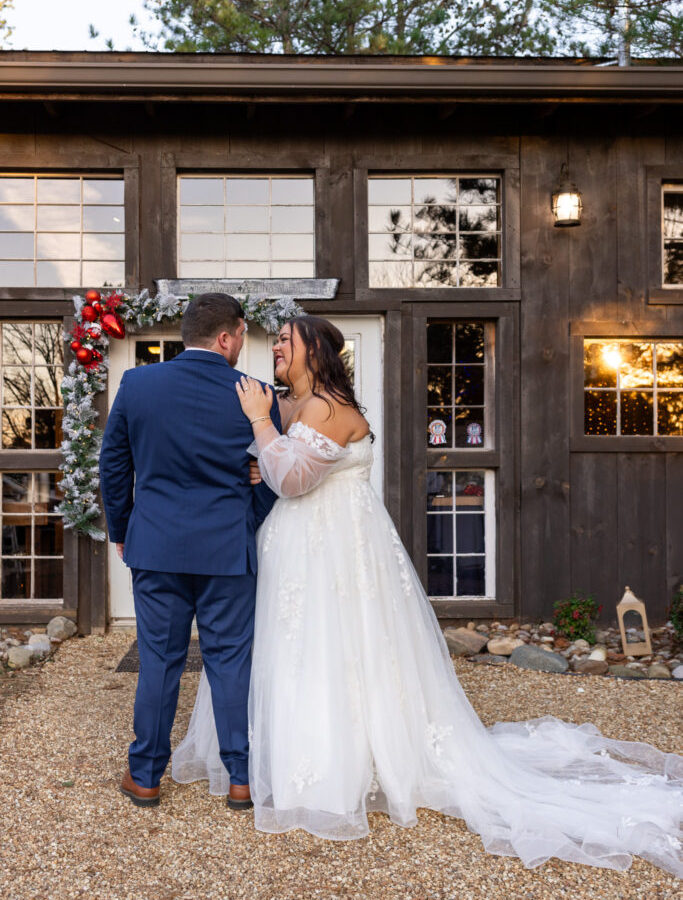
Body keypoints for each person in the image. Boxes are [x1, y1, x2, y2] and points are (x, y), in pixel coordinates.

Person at [172, 316, 682, 877]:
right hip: (296, 546)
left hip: (337, 548)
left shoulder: (325, 407)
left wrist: (259, 429)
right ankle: (286, 752)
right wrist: (261, 452)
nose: (276, 350)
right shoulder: (292, 405)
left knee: (339, 645)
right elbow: (276, 468)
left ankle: (339, 763)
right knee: (295, 648)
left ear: (312, 350)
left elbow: (293, 481)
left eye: (286, 342)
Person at [100, 293, 280, 811]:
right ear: (225, 337)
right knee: (229, 660)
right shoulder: (257, 394)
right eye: (243, 336)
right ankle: (241, 779)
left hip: (155, 544)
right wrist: (249, 516)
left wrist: (124, 529)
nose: (243, 347)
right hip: (227, 548)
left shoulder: (138, 384)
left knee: (159, 659)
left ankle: (146, 777)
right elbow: (273, 468)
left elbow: (113, 465)